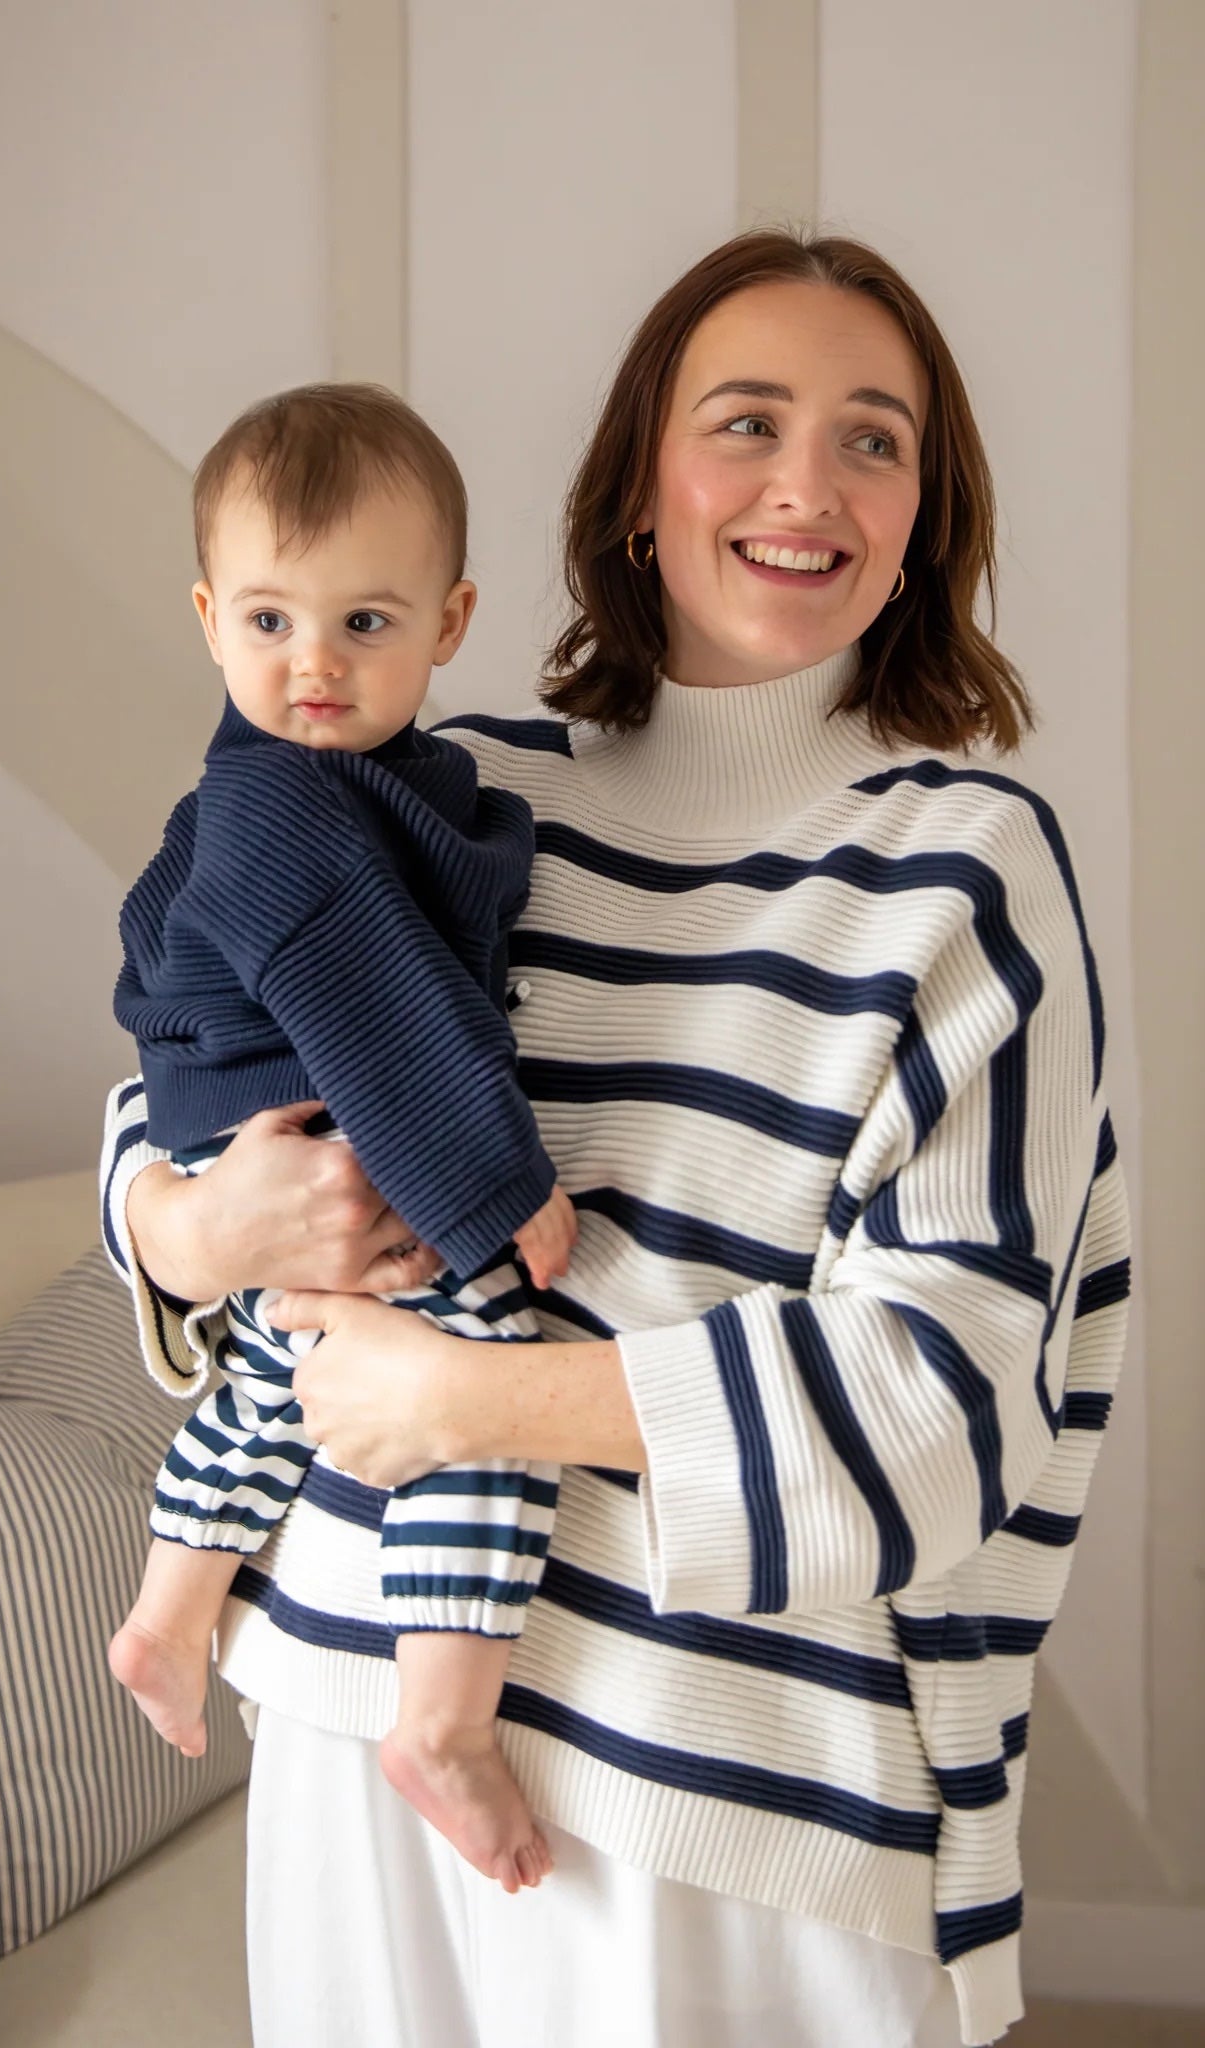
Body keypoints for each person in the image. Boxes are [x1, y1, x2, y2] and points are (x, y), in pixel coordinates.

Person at [100, 231, 1130, 2048]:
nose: (805, 485)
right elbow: (173, 1082)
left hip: (729, 1813)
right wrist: (196, 1232)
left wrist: (475, 1401)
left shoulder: (961, 867)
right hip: (343, 1708)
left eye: (872, 440)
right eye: (745, 422)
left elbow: (950, 1398)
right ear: (640, 486)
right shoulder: (449, 784)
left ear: (922, 514)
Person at [107, 383, 577, 1893]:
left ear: (449, 624)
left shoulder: (323, 784)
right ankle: (442, 1716)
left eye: (364, 624)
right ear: (208, 619)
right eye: (269, 621)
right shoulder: (290, 807)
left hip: (247, 1140)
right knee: (483, 1376)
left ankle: (171, 1611)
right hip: (294, 1136)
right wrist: (497, 1187)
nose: (312, 664)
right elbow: (376, 1005)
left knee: (273, 1377)